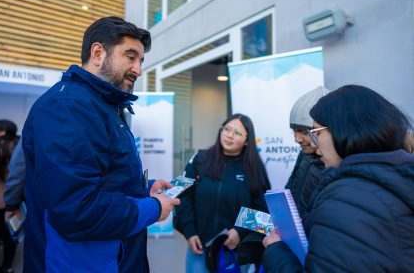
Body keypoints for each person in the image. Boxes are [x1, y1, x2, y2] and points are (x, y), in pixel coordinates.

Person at [21, 16, 180, 273]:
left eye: (140, 60)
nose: (138, 69)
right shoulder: (68, 108)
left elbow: (103, 177)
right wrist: (152, 208)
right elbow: (78, 209)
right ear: (97, 53)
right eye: (130, 57)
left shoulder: (100, 105)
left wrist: (144, 189)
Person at [261, 85, 414, 272]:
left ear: (345, 130)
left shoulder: (350, 199)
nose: (315, 146)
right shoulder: (389, 177)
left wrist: (276, 251)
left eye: (315, 132)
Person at [174, 113, 271, 273]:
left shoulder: (254, 168)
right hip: (199, 247)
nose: (230, 135)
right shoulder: (200, 159)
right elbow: (181, 194)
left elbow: (263, 210)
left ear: (247, 141)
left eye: (238, 133)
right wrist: (189, 231)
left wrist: (239, 232)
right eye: (227, 129)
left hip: (236, 252)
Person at [286, 86, 328, 217]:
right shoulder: (305, 154)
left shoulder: (335, 164)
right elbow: (289, 192)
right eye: (294, 131)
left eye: (303, 132)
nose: (297, 139)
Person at [0, 119, 20, 273]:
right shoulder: (18, 144)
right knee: (12, 232)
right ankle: (8, 266)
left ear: (2, 131)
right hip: (17, 196)